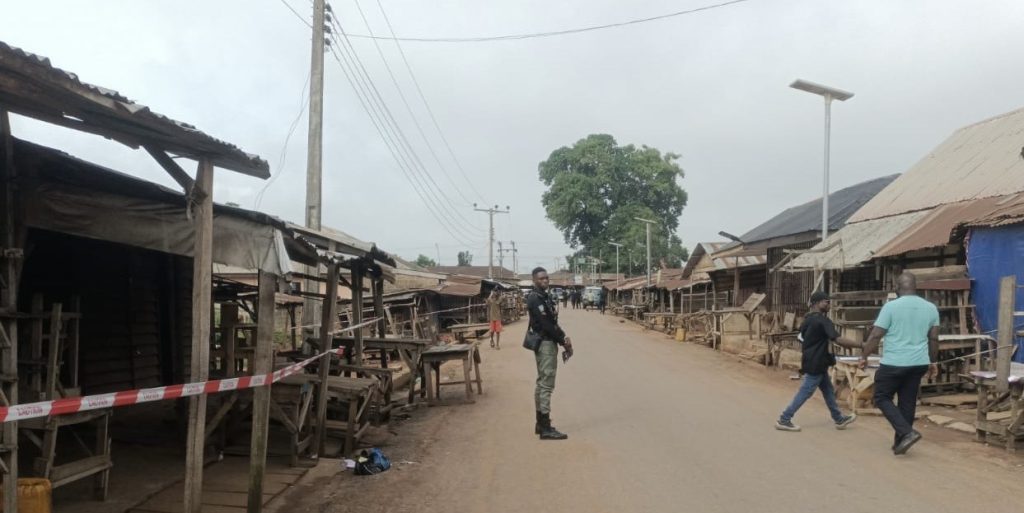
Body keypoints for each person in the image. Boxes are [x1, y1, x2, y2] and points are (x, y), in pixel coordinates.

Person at [861, 272, 939, 455]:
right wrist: (933, 361)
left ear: (897, 287)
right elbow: (934, 339)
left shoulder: (891, 307)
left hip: (894, 362)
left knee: (881, 397)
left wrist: (863, 356)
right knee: (907, 401)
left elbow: (876, 335)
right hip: (918, 363)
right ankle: (901, 442)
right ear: (915, 287)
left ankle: (907, 432)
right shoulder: (931, 308)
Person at [776, 291, 859, 432]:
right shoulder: (822, 320)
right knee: (806, 391)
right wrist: (861, 345)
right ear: (817, 303)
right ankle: (784, 418)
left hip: (812, 360)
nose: (829, 305)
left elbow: (800, 337)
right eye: (826, 302)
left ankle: (838, 418)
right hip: (816, 362)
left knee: (827, 391)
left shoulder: (807, 319)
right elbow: (837, 339)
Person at [526, 267, 573, 440]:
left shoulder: (544, 297)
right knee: (546, 385)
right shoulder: (535, 298)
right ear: (534, 280)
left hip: (547, 342)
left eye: (546, 278)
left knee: (541, 384)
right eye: (541, 279)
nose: (545, 280)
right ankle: (545, 427)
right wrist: (562, 341)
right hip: (545, 344)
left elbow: (553, 322)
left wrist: (564, 338)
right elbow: (547, 325)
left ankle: (540, 423)